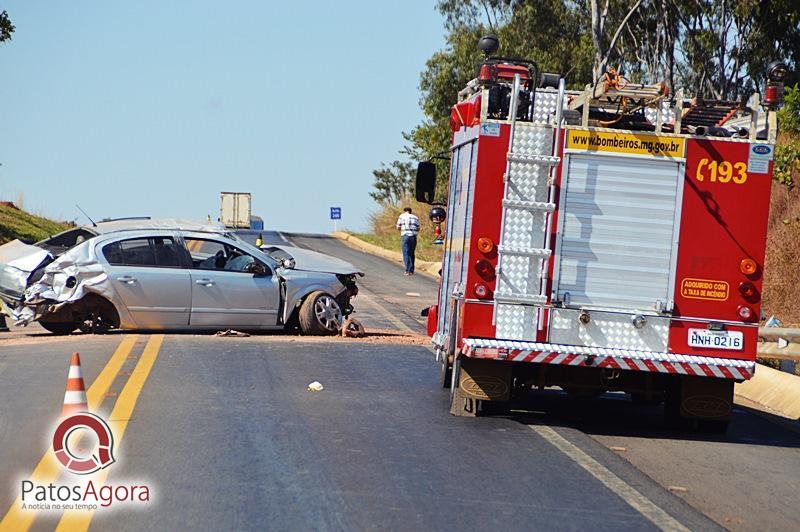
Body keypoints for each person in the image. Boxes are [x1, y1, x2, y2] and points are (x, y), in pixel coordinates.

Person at [396, 207, 420, 276]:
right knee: (412, 253)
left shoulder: (401, 216)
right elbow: (418, 228)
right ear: (410, 211)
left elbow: (398, 227)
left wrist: (402, 228)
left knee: (406, 253)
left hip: (405, 236)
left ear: (404, 211)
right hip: (413, 237)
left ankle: (407, 270)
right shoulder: (415, 217)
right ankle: (411, 270)